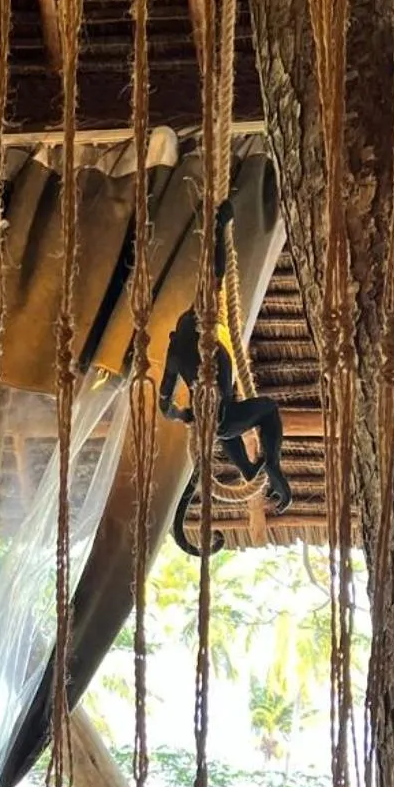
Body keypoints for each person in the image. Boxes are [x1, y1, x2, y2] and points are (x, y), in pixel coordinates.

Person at [158, 197, 291, 554]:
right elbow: (214, 271)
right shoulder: (198, 322)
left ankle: (251, 470)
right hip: (218, 417)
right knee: (267, 409)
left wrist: (183, 414)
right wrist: (220, 227)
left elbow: (163, 405)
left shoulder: (174, 353)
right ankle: (272, 467)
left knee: (227, 422)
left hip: (216, 417)